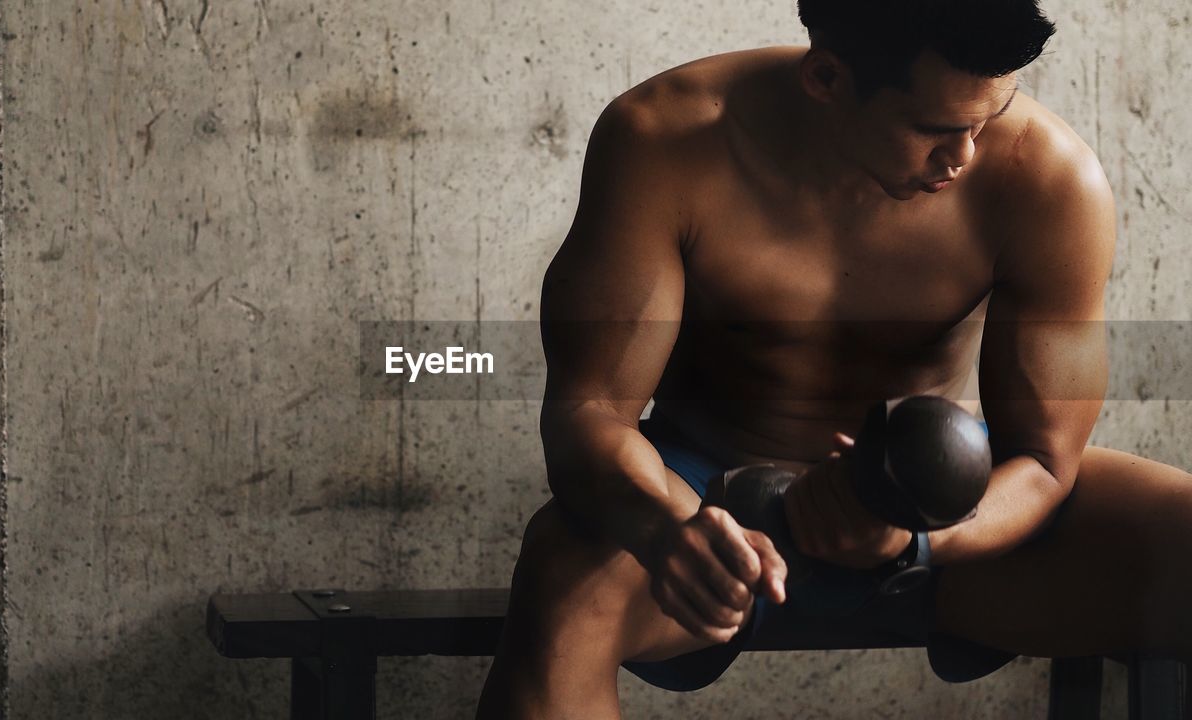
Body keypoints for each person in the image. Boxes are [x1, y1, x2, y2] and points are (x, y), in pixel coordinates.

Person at [476, 1, 1192, 717]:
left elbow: (1043, 463)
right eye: (934, 130)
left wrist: (911, 538)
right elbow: (589, 411)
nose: (965, 155)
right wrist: (664, 529)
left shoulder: (1046, 176)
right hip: (711, 503)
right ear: (826, 76)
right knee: (562, 586)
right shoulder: (665, 141)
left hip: (944, 516)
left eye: (987, 118)